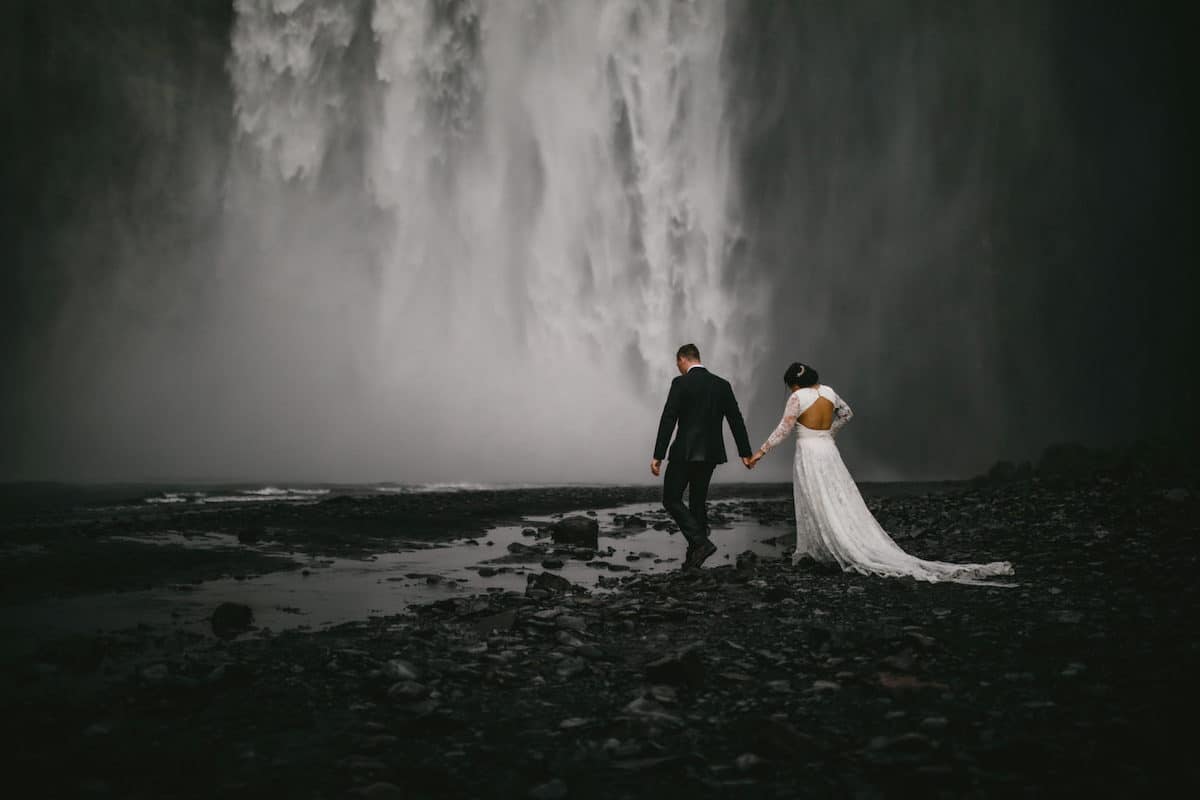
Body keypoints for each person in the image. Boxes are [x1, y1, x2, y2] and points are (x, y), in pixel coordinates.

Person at [746, 362, 1014, 584]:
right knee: (838, 496)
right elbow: (847, 413)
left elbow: (784, 429)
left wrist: (760, 452)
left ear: (794, 383)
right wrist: (829, 433)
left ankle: (826, 547)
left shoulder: (797, 397)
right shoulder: (829, 392)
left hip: (808, 452)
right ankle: (840, 540)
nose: (790, 389)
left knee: (815, 498)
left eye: (790, 384)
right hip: (828, 450)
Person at [652, 344, 754, 570]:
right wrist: (745, 452)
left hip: (684, 452)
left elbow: (669, 418)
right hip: (711, 453)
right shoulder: (722, 385)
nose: (677, 368)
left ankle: (700, 542)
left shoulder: (680, 383)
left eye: (677, 363)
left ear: (682, 359)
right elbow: (735, 419)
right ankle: (694, 558)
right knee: (697, 501)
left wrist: (658, 454)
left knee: (671, 499)